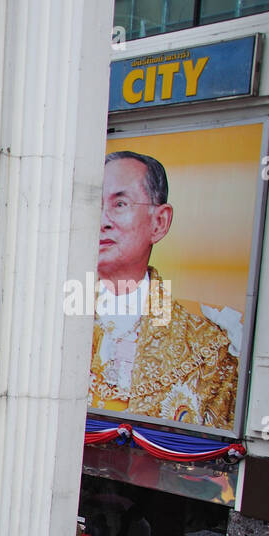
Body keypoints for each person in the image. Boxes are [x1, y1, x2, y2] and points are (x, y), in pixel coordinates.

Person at [87, 151, 240, 429]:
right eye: (94, 205)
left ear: (159, 222)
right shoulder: (53, 318)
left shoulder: (205, 345)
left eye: (120, 204)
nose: (102, 221)